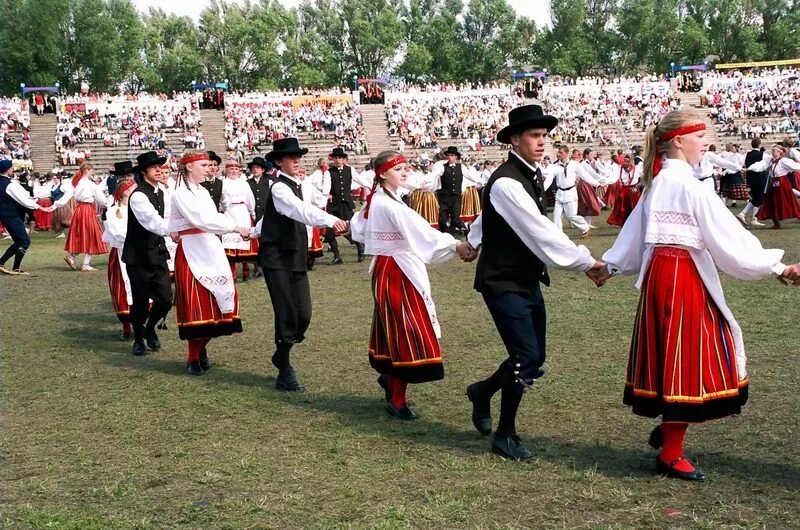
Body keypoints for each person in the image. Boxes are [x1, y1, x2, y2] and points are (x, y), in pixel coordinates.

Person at [597, 110, 793, 481]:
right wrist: (776, 267)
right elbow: (727, 239)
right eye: (699, 136)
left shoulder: (659, 183)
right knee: (687, 359)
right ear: (677, 141)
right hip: (680, 279)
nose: (705, 142)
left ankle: (670, 430)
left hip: (664, 276)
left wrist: (609, 267)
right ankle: (671, 450)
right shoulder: (687, 186)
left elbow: (634, 236)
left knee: (678, 357)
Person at [465, 105, 606, 460]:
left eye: (544, 136)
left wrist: (473, 238)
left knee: (533, 358)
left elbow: (492, 216)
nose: (542, 142)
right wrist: (585, 262)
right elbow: (540, 231)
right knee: (526, 357)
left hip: (525, 277)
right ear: (514, 140)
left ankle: (482, 391)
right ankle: (505, 434)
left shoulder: (529, 174)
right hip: (502, 280)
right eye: (534, 136)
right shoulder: (508, 181)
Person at [350, 151, 475, 420]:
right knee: (408, 329)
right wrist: (455, 245)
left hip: (388, 267)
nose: (405, 172)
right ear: (383, 173)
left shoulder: (378, 200)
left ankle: (389, 379)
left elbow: (357, 227)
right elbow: (422, 232)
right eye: (398, 169)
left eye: (406, 168)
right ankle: (397, 398)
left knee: (393, 327)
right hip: (396, 270)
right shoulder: (389, 205)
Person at [252, 138, 348, 391]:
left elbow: (297, 208)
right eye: (291, 157)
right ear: (279, 162)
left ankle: (280, 354)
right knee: (286, 313)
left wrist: (252, 230)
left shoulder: (299, 184)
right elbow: (298, 211)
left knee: (303, 314)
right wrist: (330, 220)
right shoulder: (278, 187)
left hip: (294, 256)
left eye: (298, 156)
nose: (296, 160)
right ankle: (284, 369)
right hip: (276, 258)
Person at [168, 150, 250, 375]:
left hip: (210, 247)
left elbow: (214, 216)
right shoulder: (180, 194)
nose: (208, 169)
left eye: (209, 165)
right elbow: (201, 219)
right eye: (203, 165)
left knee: (219, 302)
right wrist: (233, 227)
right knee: (197, 303)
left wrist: (236, 224)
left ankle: (201, 348)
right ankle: (192, 357)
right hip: (193, 249)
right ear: (189, 167)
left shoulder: (203, 191)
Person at [122, 152, 174, 356]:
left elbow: (170, 216)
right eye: (154, 168)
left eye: (160, 167)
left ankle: (150, 327)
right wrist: (175, 231)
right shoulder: (138, 196)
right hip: (139, 255)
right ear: (144, 172)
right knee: (141, 300)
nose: (159, 170)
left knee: (165, 299)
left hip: (158, 252)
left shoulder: (161, 192)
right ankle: (138, 339)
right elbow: (153, 222)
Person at [53, 162, 107, 271]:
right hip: (87, 210)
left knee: (81, 234)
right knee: (92, 235)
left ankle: (72, 256)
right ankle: (85, 264)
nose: (93, 171)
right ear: (87, 170)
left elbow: (66, 197)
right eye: (91, 170)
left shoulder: (75, 183)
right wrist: (110, 205)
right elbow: (101, 199)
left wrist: (54, 205)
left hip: (79, 210)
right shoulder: (90, 184)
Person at [102, 178, 137, 340]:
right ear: (126, 192)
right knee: (122, 288)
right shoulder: (113, 211)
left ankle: (142, 323)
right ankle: (126, 326)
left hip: (139, 253)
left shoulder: (140, 208)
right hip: (122, 253)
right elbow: (117, 233)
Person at [0, 161, 48, 275]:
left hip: (5, 215)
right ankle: (13, 267)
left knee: (19, 241)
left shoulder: (6, 183)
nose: (12, 170)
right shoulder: (9, 184)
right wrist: (39, 206)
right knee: (24, 241)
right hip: (10, 215)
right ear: (7, 169)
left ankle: (4, 264)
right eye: (11, 168)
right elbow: (23, 199)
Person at [324, 147, 368, 264]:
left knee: (350, 228)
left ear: (344, 159)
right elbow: (326, 187)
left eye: (340, 158)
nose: (337, 160)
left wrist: (371, 186)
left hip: (346, 205)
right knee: (330, 231)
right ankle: (337, 256)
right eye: (335, 158)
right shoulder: (329, 172)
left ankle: (360, 247)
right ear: (332, 159)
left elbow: (361, 181)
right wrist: (325, 193)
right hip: (334, 205)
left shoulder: (350, 170)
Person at [542, 145, 593, 237]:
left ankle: (585, 227)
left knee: (571, 216)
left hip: (571, 193)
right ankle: (559, 236)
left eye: (561, 152)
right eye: (558, 152)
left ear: (566, 153)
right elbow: (549, 180)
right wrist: (541, 191)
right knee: (556, 216)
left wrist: (597, 183)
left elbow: (586, 177)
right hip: (560, 193)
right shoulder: (555, 166)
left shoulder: (574, 165)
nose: (558, 154)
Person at [220, 159, 258, 281]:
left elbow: (249, 198)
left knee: (244, 240)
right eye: (231, 169)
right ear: (226, 170)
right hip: (229, 212)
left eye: (236, 169)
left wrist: (252, 212)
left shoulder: (244, 183)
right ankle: (232, 273)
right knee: (230, 242)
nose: (234, 171)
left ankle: (246, 270)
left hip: (242, 211)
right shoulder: (222, 183)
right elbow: (221, 199)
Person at [748, 142, 800, 229]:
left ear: (779, 152)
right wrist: (749, 168)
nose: (772, 153)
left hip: (782, 183)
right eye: (772, 151)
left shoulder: (784, 161)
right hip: (773, 183)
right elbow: (761, 165)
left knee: (788, 202)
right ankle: (776, 223)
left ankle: (798, 216)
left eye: (774, 151)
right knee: (770, 203)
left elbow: (796, 167)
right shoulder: (771, 161)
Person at [430, 146, 469, 235]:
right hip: (444, 197)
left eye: (452, 155)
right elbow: (434, 175)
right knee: (442, 220)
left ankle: (465, 230)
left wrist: (481, 182)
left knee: (455, 219)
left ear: (456, 157)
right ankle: (447, 236)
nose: (450, 157)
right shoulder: (442, 167)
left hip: (455, 197)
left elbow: (470, 176)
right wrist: (426, 181)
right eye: (449, 155)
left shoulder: (461, 167)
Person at [246, 156, 272, 279]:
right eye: (253, 167)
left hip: (266, 214)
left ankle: (268, 264)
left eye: (257, 167)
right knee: (255, 242)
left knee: (266, 241)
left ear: (262, 169)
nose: (255, 169)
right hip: (252, 215)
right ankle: (258, 268)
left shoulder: (269, 182)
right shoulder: (247, 183)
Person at [737, 138, 768, 226]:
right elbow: (766, 164)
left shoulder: (747, 154)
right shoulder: (763, 154)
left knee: (755, 198)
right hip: (760, 177)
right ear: (759, 145)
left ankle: (743, 214)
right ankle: (753, 219)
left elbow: (740, 162)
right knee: (759, 198)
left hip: (750, 178)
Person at [606, 154, 642, 227]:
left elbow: (643, 178)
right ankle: (624, 223)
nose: (625, 163)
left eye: (628, 161)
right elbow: (614, 177)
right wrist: (606, 182)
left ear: (631, 161)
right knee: (623, 208)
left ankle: (636, 224)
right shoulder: (620, 169)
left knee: (635, 207)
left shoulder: (637, 168)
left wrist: (637, 186)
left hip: (634, 189)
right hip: (624, 190)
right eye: (624, 161)